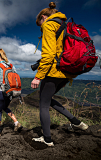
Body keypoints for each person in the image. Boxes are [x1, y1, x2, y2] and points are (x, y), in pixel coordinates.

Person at [31, 2, 88, 146]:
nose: (41, 28)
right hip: (66, 72)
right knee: (48, 99)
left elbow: (49, 54)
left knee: (43, 104)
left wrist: (38, 76)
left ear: (44, 17)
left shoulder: (49, 25)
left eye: (40, 24)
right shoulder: (65, 24)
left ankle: (47, 139)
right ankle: (76, 122)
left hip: (54, 71)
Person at [0, 49, 22, 137]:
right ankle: (16, 122)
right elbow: (16, 78)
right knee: (5, 107)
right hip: (11, 92)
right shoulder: (11, 65)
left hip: (1, 91)